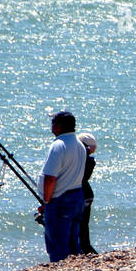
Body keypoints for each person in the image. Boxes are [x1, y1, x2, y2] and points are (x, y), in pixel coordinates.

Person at [39, 110, 87, 262]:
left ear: (59, 126)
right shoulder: (79, 145)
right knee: (73, 242)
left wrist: (46, 200)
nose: (52, 125)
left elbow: (50, 177)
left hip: (60, 201)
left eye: (53, 122)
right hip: (77, 196)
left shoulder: (58, 146)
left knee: (57, 244)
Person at [77, 132, 98, 255]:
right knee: (83, 227)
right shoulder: (89, 160)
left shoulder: (82, 158)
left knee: (80, 226)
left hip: (82, 194)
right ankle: (85, 249)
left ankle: (83, 250)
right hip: (87, 194)